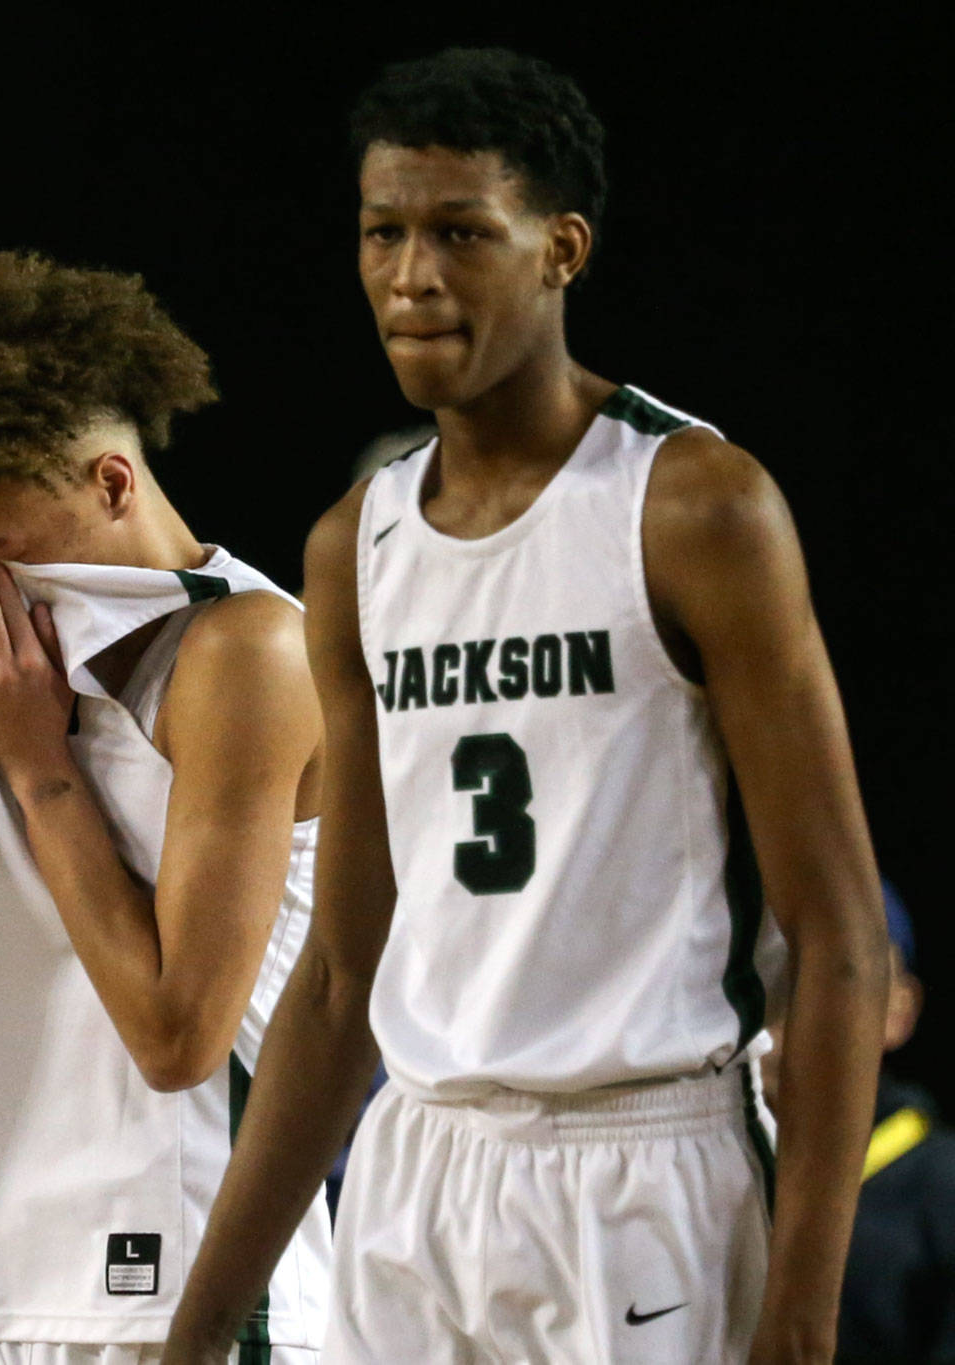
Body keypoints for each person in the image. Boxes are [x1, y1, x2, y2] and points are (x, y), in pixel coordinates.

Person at [163, 47, 888, 1365]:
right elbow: (337, 976)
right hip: (421, 1165)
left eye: (458, 232)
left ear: (561, 248)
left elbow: (838, 938)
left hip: (647, 1167)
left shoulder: (695, 507)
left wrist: (803, 1312)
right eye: (382, 232)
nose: (410, 274)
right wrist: (200, 1328)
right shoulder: (355, 547)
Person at [0, 250, 330, 1365]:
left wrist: (40, 767)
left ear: (110, 482)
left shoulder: (246, 650)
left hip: (184, 1279)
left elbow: (177, 1036)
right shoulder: (20, 666)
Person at [764, 881, 953, 1364]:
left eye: (838, 975)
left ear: (900, 1009)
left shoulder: (940, 1187)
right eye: (770, 974)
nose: (798, 1001)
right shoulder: (689, 1168)